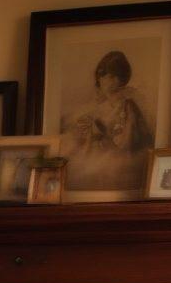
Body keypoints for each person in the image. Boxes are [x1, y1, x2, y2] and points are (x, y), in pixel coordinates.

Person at [60, 50, 153, 192]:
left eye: (106, 76)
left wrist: (100, 132)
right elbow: (86, 140)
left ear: (117, 79)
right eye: (100, 76)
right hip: (97, 158)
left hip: (117, 163)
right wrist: (86, 133)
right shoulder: (100, 107)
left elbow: (126, 146)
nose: (101, 80)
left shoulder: (128, 106)